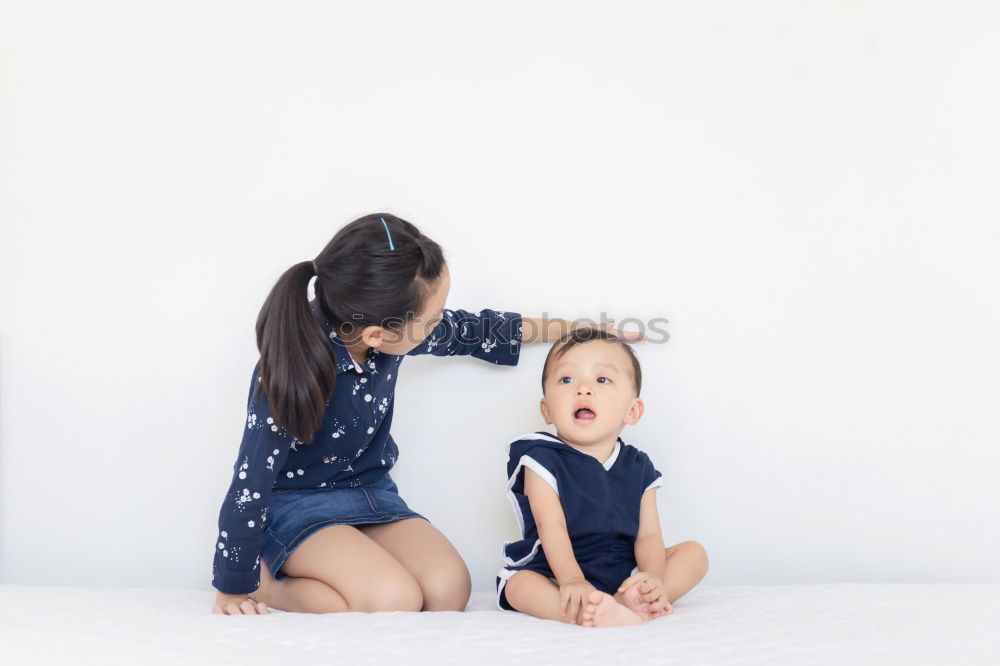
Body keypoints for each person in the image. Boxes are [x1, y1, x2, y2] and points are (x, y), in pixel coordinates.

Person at [211, 212, 640, 615]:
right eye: (433, 318)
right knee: (394, 599)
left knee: (449, 589)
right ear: (378, 335)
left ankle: (353, 559)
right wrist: (234, 581)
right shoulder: (290, 371)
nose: (441, 324)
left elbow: (480, 331)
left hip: (370, 494)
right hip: (296, 506)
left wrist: (578, 331)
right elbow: (250, 480)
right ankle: (274, 586)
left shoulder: (388, 329)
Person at [496, 327, 709, 627]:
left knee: (694, 555)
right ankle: (586, 611)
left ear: (632, 411)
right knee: (519, 586)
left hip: (622, 573)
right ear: (547, 409)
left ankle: (637, 599)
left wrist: (652, 577)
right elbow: (550, 526)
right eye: (566, 379)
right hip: (557, 573)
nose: (582, 389)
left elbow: (648, 535)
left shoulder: (639, 465)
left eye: (602, 379)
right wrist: (572, 580)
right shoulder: (540, 458)